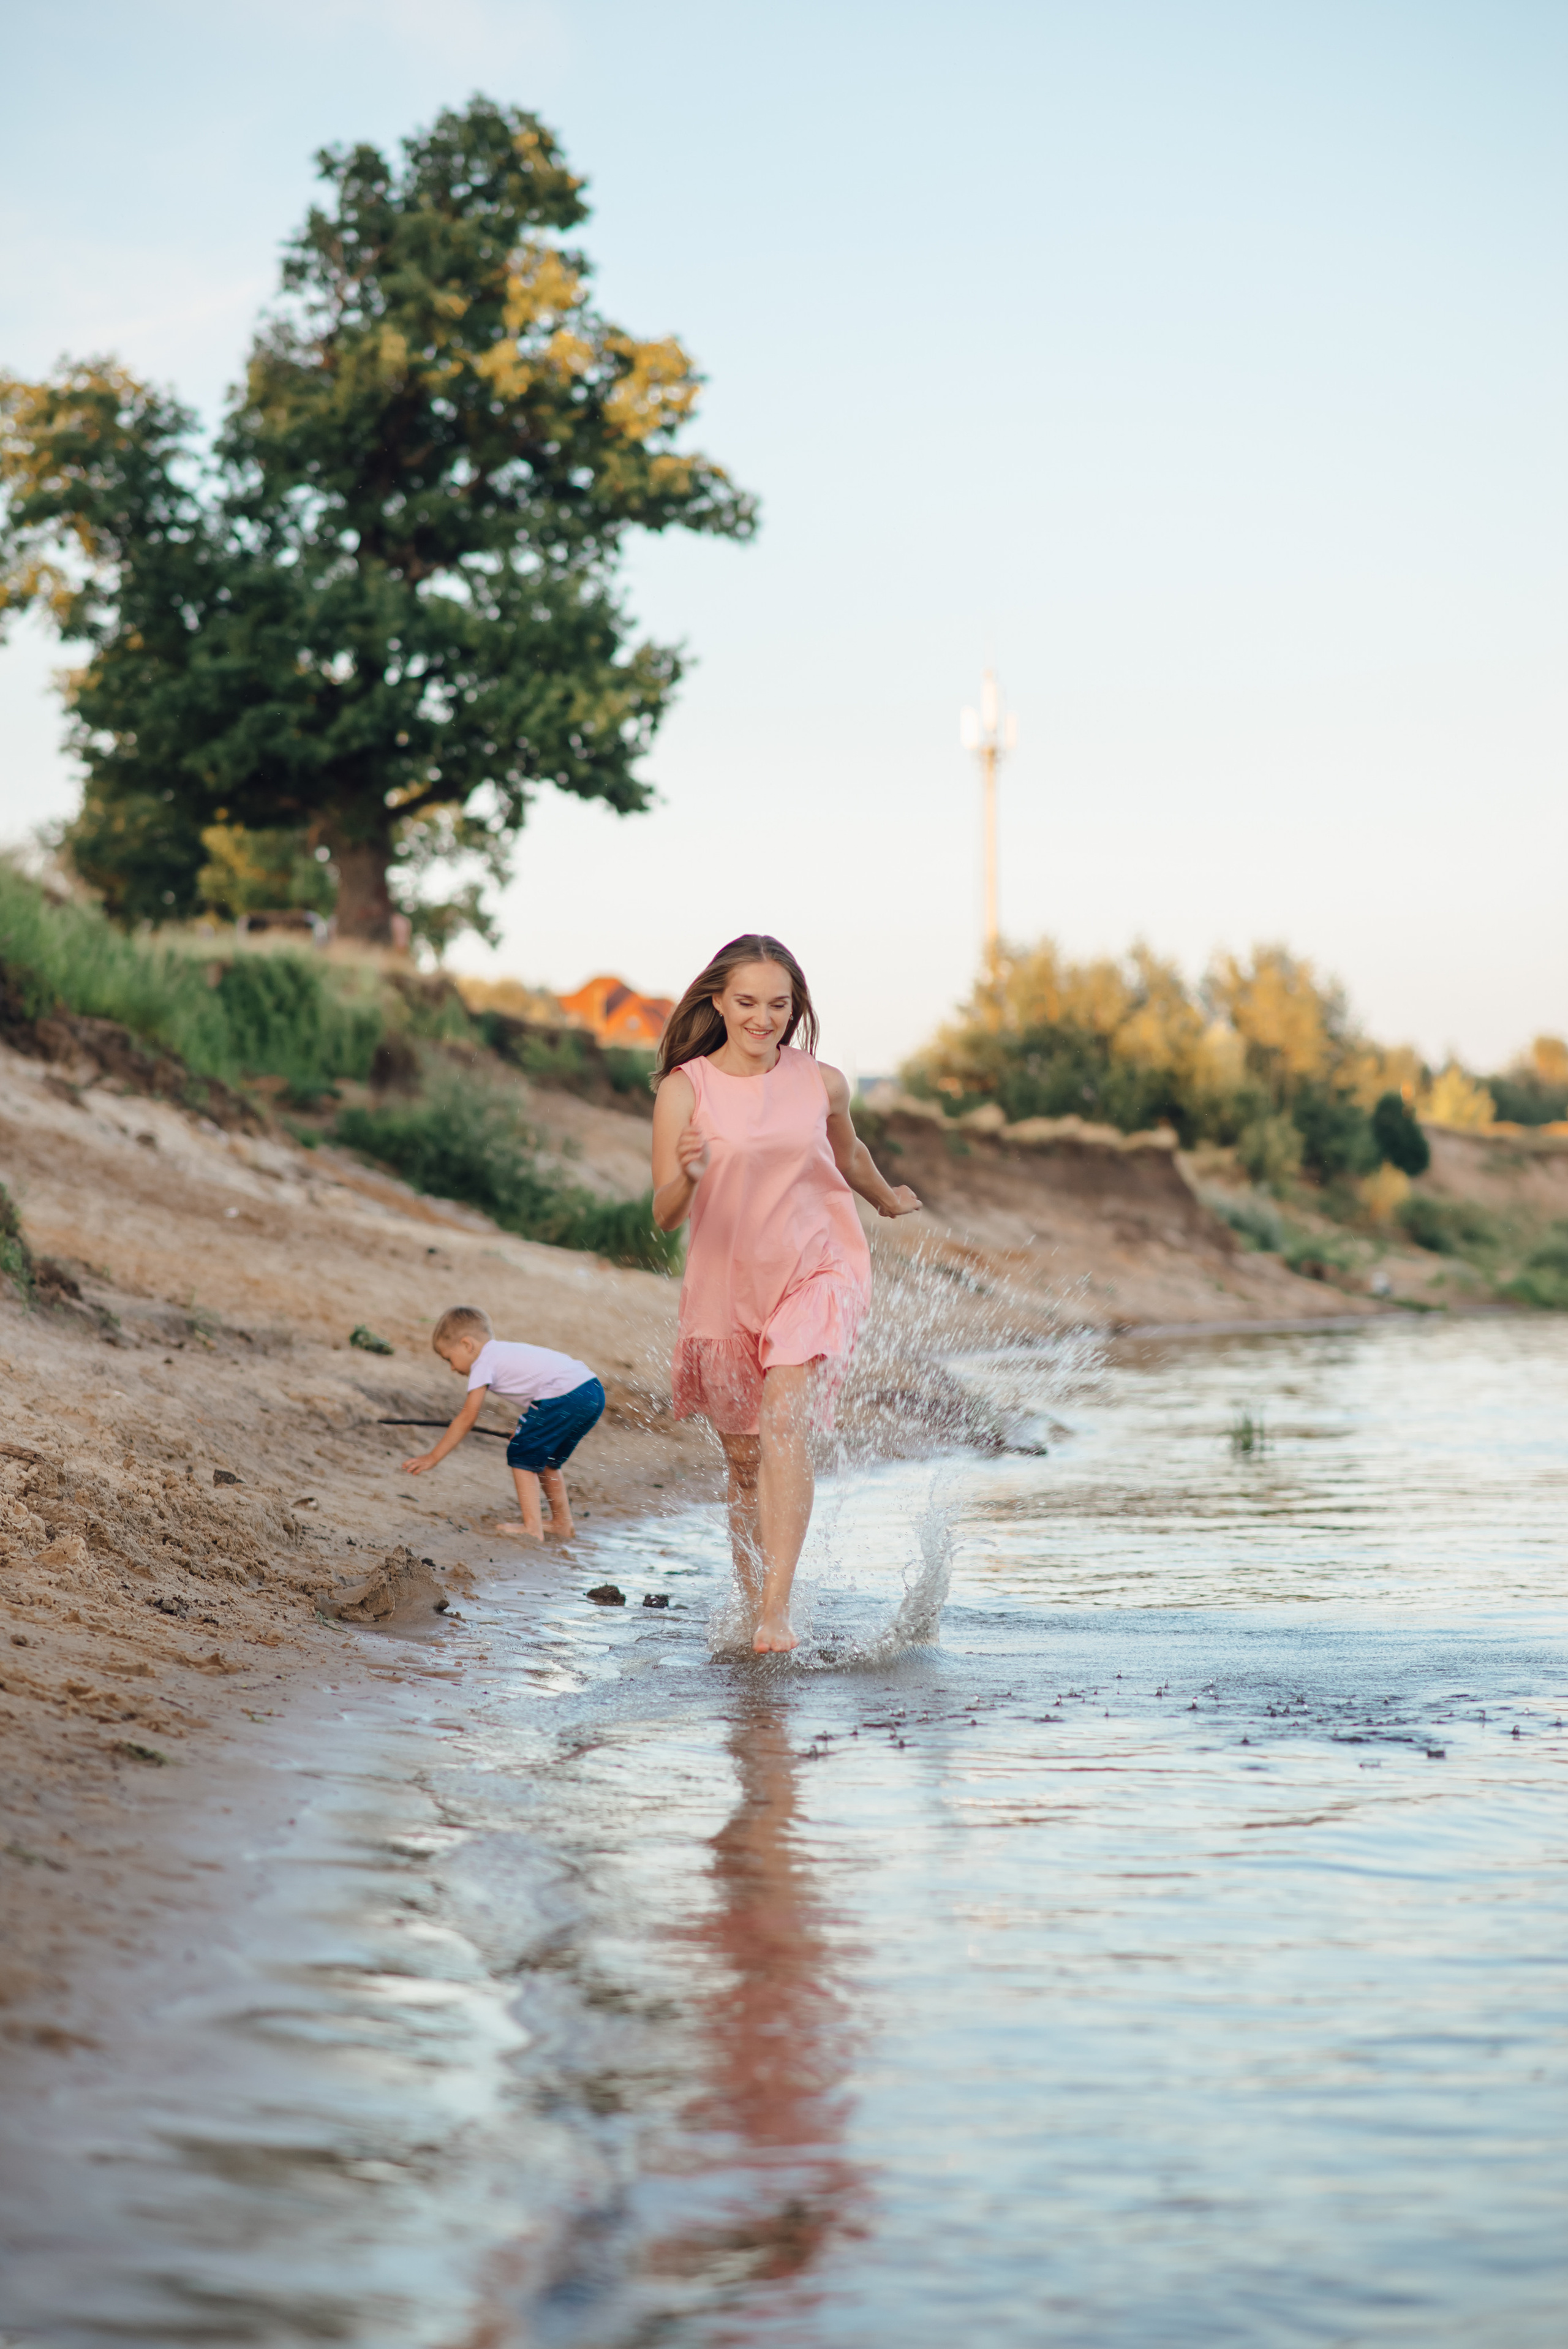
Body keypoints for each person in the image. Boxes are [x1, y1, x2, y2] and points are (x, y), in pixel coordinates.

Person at [651, 935, 920, 1651]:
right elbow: (664, 1213)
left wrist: (886, 1198)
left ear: (795, 1007)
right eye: (746, 1002)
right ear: (717, 1001)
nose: (763, 1018)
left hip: (816, 1264)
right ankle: (751, 1607)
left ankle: (776, 1614)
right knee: (743, 1466)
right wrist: (687, 1170)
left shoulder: (822, 1081)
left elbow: (847, 1151)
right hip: (726, 1285)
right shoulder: (685, 1088)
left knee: (784, 1423)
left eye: (778, 1004)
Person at [402, 1305, 604, 1541]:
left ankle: (532, 1528)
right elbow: (540, 1395)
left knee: (522, 1453)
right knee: (546, 1459)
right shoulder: (503, 1353)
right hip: (592, 1390)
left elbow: (467, 1417)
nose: (453, 1368)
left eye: (450, 1359)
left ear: (468, 1345)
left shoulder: (483, 1362)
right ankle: (561, 1523)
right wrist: (527, 1432)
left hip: (565, 1394)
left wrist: (433, 1457)